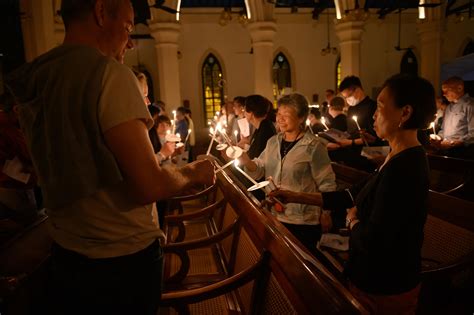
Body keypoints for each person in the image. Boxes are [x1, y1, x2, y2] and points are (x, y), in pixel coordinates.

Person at [6, 1, 214, 314]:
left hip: (67, 250)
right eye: (129, 27)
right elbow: (148, 187)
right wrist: (195, 172)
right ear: (101, 13)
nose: (130, 42)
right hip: (120, 258)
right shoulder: (109, 75)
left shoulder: (38, 75)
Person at [271, 74, 436, 314]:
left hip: (385, 286)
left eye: (380, 106)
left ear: (405, 113)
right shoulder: (396, 156)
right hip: (371, 277)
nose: (373, 115)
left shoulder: (406, 168)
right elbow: (352, 195)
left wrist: (352, 220)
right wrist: (296, 196)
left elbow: (373, 242)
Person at [238, 93, 337, 254]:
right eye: (278, 114)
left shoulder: (313, 146)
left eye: (286, 115)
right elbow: (259, 169)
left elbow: (327, 182)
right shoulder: (273, 142)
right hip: (275, 215)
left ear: (301, 118)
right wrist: (246, 161)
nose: (280, 119)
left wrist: (326, 212)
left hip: (303, 220)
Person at [0, 93, 38, 223]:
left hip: (12, 185)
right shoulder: (6, 128)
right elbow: (26, 157)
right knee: (28, 223)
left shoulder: (10, 125)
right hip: (13, 187)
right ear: (16, 110)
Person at [431, 76, 474, 159]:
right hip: (446, 152)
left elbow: (473, 134)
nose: (444, 94)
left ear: (459, 88)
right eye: (443, 91)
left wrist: (453, 143)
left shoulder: (470, 105)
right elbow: (443, 130)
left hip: (463, 153)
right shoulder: (449, 107)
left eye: (447, 90)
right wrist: (438, 137)